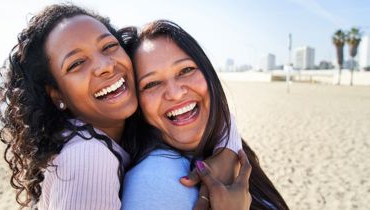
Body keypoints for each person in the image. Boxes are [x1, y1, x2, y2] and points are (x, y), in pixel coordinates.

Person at [0, 4, 246, 210]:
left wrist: (227, 152)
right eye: (76, 63)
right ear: (57, 94)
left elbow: (211, 111)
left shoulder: (121, 129)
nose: (104, 65)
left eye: (109, 46)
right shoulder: (88, 157)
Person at [120, 20, 290, 210]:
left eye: (186, 70)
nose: (175, 93)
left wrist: (229, 148)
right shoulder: (155, 182)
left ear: (209, 74)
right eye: (151, 84)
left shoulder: (228, 147)